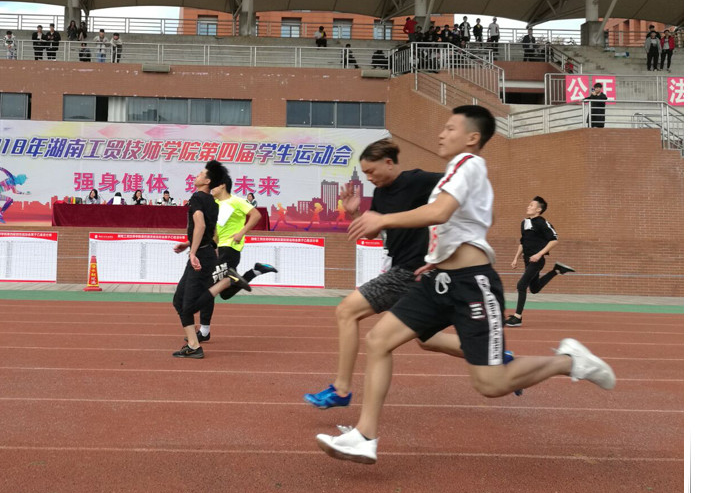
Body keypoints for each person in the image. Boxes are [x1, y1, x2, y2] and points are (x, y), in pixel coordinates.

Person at [317, 106, 615, 464]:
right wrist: (436, 257)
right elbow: (462, 221)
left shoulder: (468, 165)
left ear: (472, 138)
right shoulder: (452, 175)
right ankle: (365, 436)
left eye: (449, 128)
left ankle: (569, 361)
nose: (441, 134)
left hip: (472, 283)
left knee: (490, 384)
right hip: (437, 279)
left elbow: (439, 213)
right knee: (379, 340)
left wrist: (383, 220)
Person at [304, 139, 458, 409]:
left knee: (346, 311)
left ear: (389, 163)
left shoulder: (418, 180)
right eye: (364, 173)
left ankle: (341, 389)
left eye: (371, 171)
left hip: (409, 270)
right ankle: (493, 355)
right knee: (427, 339)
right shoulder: (380, 194)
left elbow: (459, 185)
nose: (368, 177)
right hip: (408, 271)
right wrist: (355, 213)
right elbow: (373, 233)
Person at [170, 161, 252, 359]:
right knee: (179, 301)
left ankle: (225, 282)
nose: (197, 175)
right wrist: (189, 244)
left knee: (188, 306)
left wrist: (192, 252)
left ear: (207, 181)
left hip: (200, 255)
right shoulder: (214, 203)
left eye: (201, 173)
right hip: (205, 253)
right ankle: (193, 344)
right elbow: (211, 232)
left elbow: (199, 226)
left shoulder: (197, 197)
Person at [194, 174, 276, 343]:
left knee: (208, 287)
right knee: (224, 294)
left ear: (223, 185)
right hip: (221, 250)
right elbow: (216, 232)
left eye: (215, 185)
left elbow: (256, 215)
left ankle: (204, 331)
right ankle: (255, 271)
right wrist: (212, 249)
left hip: (231, 250)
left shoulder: (236, 201)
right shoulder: (216, 205)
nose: (212, 188)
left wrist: (241, 233)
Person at [505, 196, 575, 328]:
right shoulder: (524, 223)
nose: (528, 207)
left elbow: (554, 240)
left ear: (538, 210)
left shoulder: (542, 223)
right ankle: (557, 270)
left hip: (537, 261)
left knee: (521, 285)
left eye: (531, 205)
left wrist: (539, 254)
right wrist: (515, 258)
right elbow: (522, 242)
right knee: (534, 289)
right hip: (527, 260)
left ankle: (517, 317)